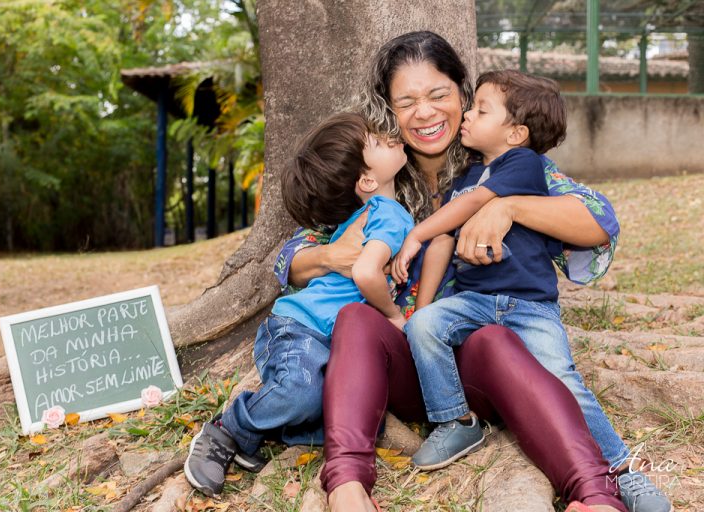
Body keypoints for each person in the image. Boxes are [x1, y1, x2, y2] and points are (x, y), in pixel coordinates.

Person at [276, 32, 669, 512]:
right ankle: (347, 487)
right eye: (407, 102)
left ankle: (604, 482)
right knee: (357, 322)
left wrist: (510, 207)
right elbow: (294, 254)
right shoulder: (376, 171)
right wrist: (332, 258)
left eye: (438, 95)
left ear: (463, 95)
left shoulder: (496, 160)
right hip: (409, 360)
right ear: (389, 110)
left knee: (493, 340)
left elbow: (598, 220)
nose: (424, 113)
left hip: (492, 365)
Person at [184, 112, 415, 497]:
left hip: (334, 339)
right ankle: (227, 431)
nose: (390, 137)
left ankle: (268, 432)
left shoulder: (374, 214)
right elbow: (361, 272)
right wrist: (393, 315)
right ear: (367, 180)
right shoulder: (384, 214)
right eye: (376, 140)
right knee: (299, 392)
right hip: (301, 327)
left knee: (344, 410)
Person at [391, 68, 610, 473]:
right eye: (471, 107)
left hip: (529, 304)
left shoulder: (523, 164)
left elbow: (471, 206)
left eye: (481, 110)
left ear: (516, 134)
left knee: (560, 378)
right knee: (425, 327)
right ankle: (455, 421)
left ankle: (616, 465)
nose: (469, 116)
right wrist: (420, 309)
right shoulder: (466, 178)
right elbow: (445, 238)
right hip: (475, 302)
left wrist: (416, 233)